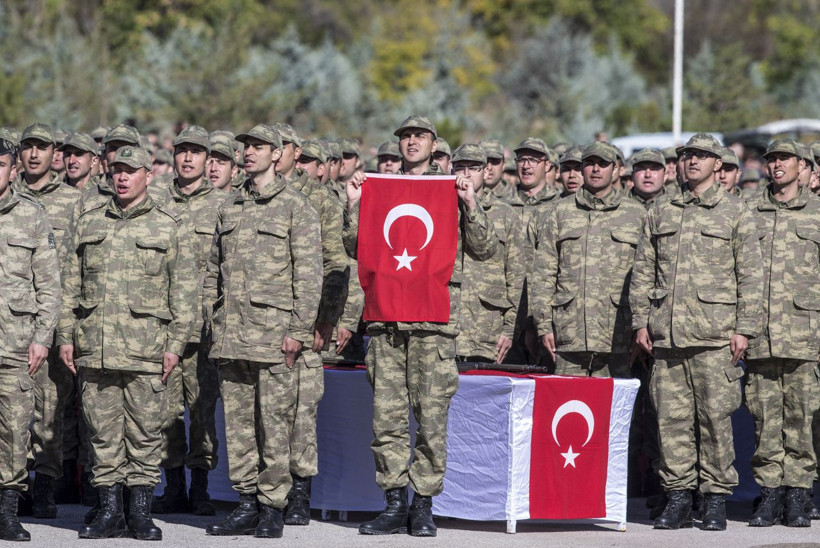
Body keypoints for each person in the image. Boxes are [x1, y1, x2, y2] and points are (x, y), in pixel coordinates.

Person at [343, 115, 497, 537]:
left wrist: (470, 203)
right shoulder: (379, 186)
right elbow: (354, 247)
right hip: (387, 321)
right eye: (405, 137)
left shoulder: (449, 187)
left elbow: (484, 249)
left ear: (434, 144)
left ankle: (423, 504)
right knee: (387, 419)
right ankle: (394, 502)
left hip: (433, 323)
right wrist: (354, 204)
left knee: (431, 418)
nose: (411, 143)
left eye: (420, 137)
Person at [58, 145, 197, 540]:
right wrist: (66, 337)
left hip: (147, 350)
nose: (121, 177)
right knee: (101, 434)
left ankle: (140, 512)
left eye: (130, 171)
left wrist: (174, 345)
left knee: (144, 434)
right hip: (95, 348)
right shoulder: (87, 221)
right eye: (116, 170)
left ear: (148, 175)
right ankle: (109, 512)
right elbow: (70, 286)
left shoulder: (170, 225)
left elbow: (184, 295)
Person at [630, 133, 763, 531]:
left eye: (702, 156)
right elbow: (643, 270)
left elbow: (751, 276)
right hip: (668, 336)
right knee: (670, 422)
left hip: (714, 336)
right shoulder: (663, 210)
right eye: (688, 155)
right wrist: (640, 321)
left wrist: (744, 329)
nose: (692, 162)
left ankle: (716, 499)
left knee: (714, 420)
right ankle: (677, 498)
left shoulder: (735, 211)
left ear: (718, 165)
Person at [202, 124, 322, 539]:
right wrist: (212, 318)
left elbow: (309, 279)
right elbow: (212, 274)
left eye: (258, 146)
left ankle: (273, 505)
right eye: (246, 146)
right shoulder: (230, 205)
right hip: (232, 337)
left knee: (274, 425)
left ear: (278, 154)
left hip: (274, 339)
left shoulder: (296, 207)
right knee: (238, 427)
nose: (249, 152)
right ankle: (246, 502)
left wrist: (298, 331)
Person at [274, 127, 348, 527]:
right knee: (264, 414)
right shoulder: (246, 195)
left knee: (301, 413)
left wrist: (326, 318)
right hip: (259, 325)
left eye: (282, 148)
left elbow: (337, 264)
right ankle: (263, 493)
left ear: (294, 152)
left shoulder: (319, 197)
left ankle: (299, 494)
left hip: (305, 326)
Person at [745, 139, 820, 528]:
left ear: (801, 165)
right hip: (759, 335)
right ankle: (769, 496)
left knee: (801, 418)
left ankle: (798, 496)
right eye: (771, 159)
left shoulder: (817, 212)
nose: (776, 166)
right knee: (764, 419)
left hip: (806, 335)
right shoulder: (747, 211)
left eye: (784, 159)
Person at [151, 126, 223, 517]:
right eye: (182, 151)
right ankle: (172, 484)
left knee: (202, 410)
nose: (188, 158)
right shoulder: (156, 198)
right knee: (165, 411)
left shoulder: (224, 205)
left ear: (208, 160)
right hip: (162, 326)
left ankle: (200, 488)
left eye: (196, 152)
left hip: (205, 329)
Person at [532, 141, 645, 377]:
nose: (595, 169)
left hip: (617, 336)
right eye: (590, 163)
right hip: (569, 335)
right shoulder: (560, 211)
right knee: (569, 410)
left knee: (616, 411)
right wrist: (543, 326)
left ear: (615, 169)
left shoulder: (636, 214)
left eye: (602, 164)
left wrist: (641, 327)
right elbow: (544, 273)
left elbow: (646, 276)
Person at [16, 123, 81, 520]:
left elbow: (76, 268)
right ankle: (16, 485)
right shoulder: (9, 195)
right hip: (13, 326)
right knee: (13, 411)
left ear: (53, 152)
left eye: (42, 148)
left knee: (50, 411)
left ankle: (46, 487)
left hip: (54, 325)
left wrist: (68, 327)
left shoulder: (75, 201)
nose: (34, 155)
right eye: (28, 148)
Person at [0, 138, 61, 541]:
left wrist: (42, 337)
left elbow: (50, 285)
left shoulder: (32, 216)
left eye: (0, 164)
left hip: (16, 343)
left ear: (12, 169)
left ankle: (6, 509)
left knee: (14, 429)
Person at [452, 144, 525, 365]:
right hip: (444, 331)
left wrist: (510, 329)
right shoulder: (439, 209)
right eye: (460, 167)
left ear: (485, 172)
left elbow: (516, 277)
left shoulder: (506, 214)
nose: (466, 173)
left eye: (473, 168)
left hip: (486, 331)